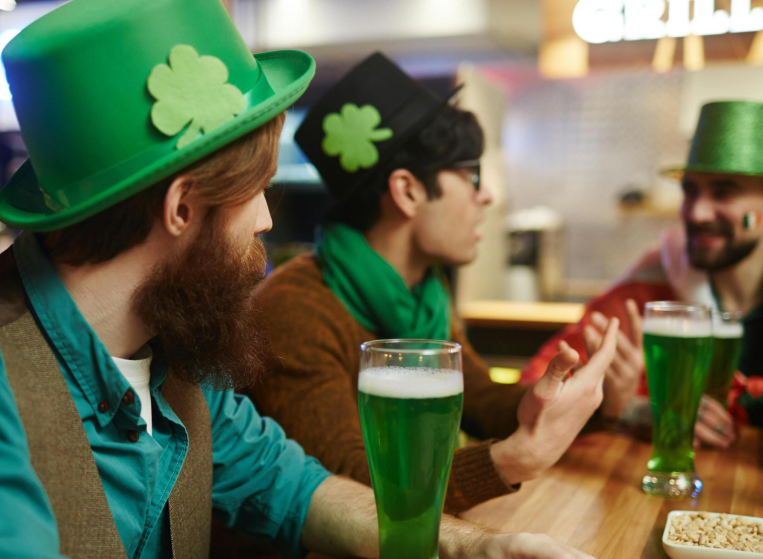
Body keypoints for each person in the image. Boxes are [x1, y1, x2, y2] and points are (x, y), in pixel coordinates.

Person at [0, 2, 601, 559]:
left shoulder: (175, 357)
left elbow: (294, 486)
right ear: (182, 206)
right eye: (258, 189)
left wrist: (458, 547)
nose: (270, 220)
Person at [245, 53, 619, 518]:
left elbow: (482, 403)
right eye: (471, 174)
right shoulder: (296, 309)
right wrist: (510, 461)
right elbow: (350, 485)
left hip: (400, 551)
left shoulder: (423, 296)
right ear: (407, 191)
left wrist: (591, 396)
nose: (487, 196)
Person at [523, 100, 763, 435]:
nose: (697, 213)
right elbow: (533, 385)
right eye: (690, 191)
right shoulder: (649, 286)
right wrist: (624, 409)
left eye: (724, 194)